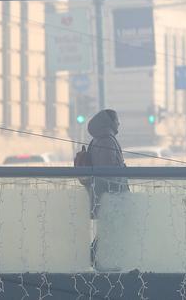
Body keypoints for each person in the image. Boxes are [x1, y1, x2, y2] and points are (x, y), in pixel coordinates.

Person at [81, 109, 128, 268]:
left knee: (109, 231)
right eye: (117, 120)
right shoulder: (106, 141)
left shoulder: (98, 140)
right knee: (112, 231)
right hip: (111, 197)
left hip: (105, 196)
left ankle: (98, 260)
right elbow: (108, 173)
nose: (119, 123)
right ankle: (99, 261)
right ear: (110, 122)